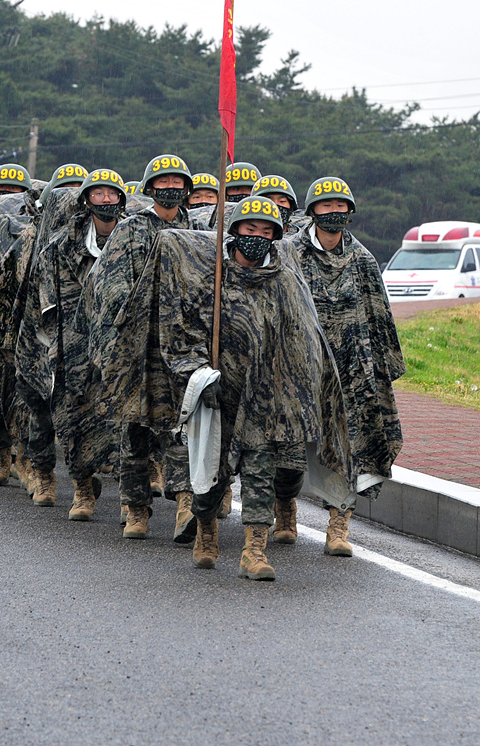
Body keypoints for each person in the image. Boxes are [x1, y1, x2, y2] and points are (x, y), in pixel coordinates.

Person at [96, 197, 352, 580]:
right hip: (217, 397)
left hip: (265, 398)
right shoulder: (210, 278)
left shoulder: (284, 280)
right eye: (251, 230)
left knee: (260, 473)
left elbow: (301, 337)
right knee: (211, 478)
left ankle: (255, 550)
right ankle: (207, 529)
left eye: (267, 232)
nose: (258, 238)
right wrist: (199, 374)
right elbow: (184, 331)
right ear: (234, 231)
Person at [290, 176, 405, 556]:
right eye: (326, 207)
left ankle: (338, 525)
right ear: (312, 212)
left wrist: (382, 373)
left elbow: (380, 318)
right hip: (302, 366)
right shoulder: (291, 253)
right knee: (287, 447)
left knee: (348, 447)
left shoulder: (363, 260)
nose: (334, 213)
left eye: (341, 207)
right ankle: (282, 509)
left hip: (350, 372)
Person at [91, 154, 199, 541]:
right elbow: (112, 284)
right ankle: (136, 509)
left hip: (184, 348)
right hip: (138, 345)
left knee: (184, 429)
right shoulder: (131, 229)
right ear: (150, 188)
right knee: (135, 431)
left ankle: (187, 504)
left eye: (177, 183)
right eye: (163, 182)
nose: (171, 189)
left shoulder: (198, 230)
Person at [35, 169, 129, 520]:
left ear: (121, 199)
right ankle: (82, 489)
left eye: (112, 194)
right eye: (98, 194)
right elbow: (46, 300)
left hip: (119, 342)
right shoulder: (61, 245)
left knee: (122, 418)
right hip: (72, 345)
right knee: (71, 416)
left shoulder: (133, 240)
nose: (106, 200)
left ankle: (128, 499)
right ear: (86, 200)